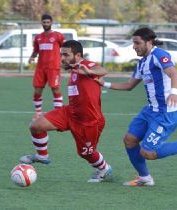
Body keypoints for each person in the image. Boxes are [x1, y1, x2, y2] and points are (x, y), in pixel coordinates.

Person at [95, 27, 177, 186]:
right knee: (129, 140)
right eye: (133, 43)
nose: (134, 47)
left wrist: (174, 92)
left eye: (137, 43)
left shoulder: (159, 55)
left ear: (149, 42)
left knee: (148, 152)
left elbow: (173, 73)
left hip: (166, 113)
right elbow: (129, 85)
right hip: (150, 110)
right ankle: (145, 178)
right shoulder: (142, 63)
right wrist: (104, 84)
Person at [20, 40, 112, 183]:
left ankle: (104, 168)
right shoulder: (74, 69)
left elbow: (103, 70)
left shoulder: (86, 65)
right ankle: (42, 156)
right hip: (70, 112)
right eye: (61, 55)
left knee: (85, 153)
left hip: (89, 121)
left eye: (66, 55)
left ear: (78, 55)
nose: (62, 58)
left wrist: (89, 72)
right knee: (36, 126)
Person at [29, 14, 65, 119]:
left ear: (51, 23)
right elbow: (36, 51)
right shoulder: (38, 37)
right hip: (40, 68)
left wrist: (64, 59)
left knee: (55, 89)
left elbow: (65, 48)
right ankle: (38, 113)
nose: (46, 24)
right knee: (37, 90)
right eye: (44, 22)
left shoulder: (58, 36)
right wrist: (32, 57)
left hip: (53, 67)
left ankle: (58, 113)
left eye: (48, 22)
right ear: (41, 23)